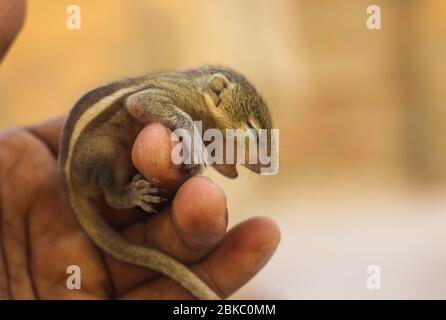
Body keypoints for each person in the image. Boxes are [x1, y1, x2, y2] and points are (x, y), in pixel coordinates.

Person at [0, 0, 280, 299]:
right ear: (216, 93)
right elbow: (139, 103)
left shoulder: (202, 114)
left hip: (101, 162)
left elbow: (210, 147)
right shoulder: (183, 97)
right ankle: (118, 195)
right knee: (114, 151)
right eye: (248, 133)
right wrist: (183, 126)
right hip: (89, 159)